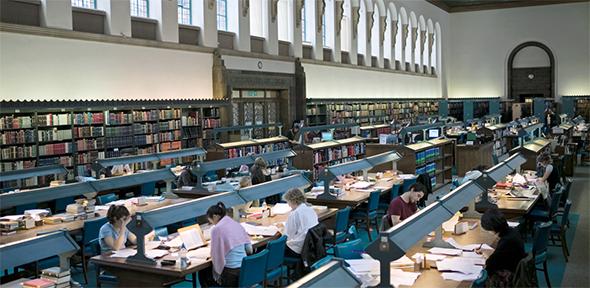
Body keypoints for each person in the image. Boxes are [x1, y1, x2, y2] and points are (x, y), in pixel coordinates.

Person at [200, 202, 252, 287]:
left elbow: (216, 255)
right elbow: (249, 249)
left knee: (203, 273)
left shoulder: (217, 229)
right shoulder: (235, 224)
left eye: (210, 221)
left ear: (214, 217)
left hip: (231, 273)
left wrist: (217, 273)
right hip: (245, 269)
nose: (212, 223)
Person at [479, 208, 526, 285]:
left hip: (509, 276)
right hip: (515, 269)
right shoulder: (512, 231)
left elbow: (490, 266)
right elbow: (501, 255)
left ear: (493, 228)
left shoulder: (506, 241)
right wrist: (491, 253)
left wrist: (488, 256)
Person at [282, 188, 319, 277]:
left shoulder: (295, 214)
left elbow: (287, 236)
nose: (289, 205)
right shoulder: (310, 209)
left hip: (298, 249)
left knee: (269, 248)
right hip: (311, 247)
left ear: (293, 201)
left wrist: (281, 229)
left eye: (288, 202)